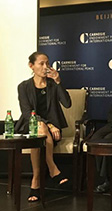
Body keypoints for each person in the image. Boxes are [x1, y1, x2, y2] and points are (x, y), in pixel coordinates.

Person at [15, 52, 72, 202]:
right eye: (41, 64)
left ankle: (36, 181)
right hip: (30, 127)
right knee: (39, 127)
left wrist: (58, 81)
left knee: (40, 132)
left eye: (47, 63)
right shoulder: (23, 87)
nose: (45, 67)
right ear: (31, 66)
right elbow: (27, 113)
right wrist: (49, 124)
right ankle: (53, 169)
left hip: (52, 133)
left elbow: (67, 103)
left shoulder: (53, 85)